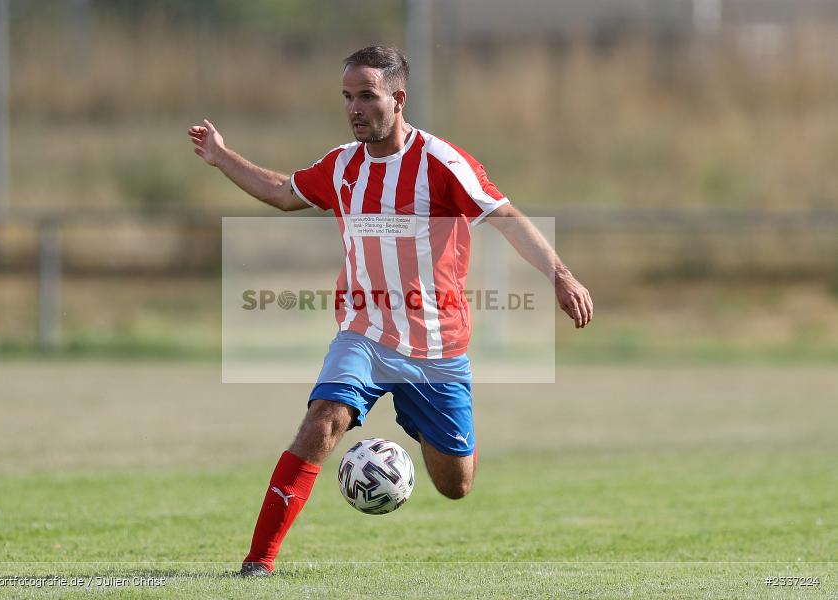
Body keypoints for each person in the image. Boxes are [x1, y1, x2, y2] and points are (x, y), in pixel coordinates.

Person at [188, 46, 593, 578]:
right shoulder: (342, 165)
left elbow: (507, 217)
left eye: (366, 96)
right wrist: (222, 156)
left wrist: (560, 275)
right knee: (322, 424)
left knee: (455, 485)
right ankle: (257, 563)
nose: (354, 108)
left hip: (436, 348)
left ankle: (416, 420)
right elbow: (284, 192)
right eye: (347, 97)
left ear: (397, 99)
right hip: (364, 334)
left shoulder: (443, 163)